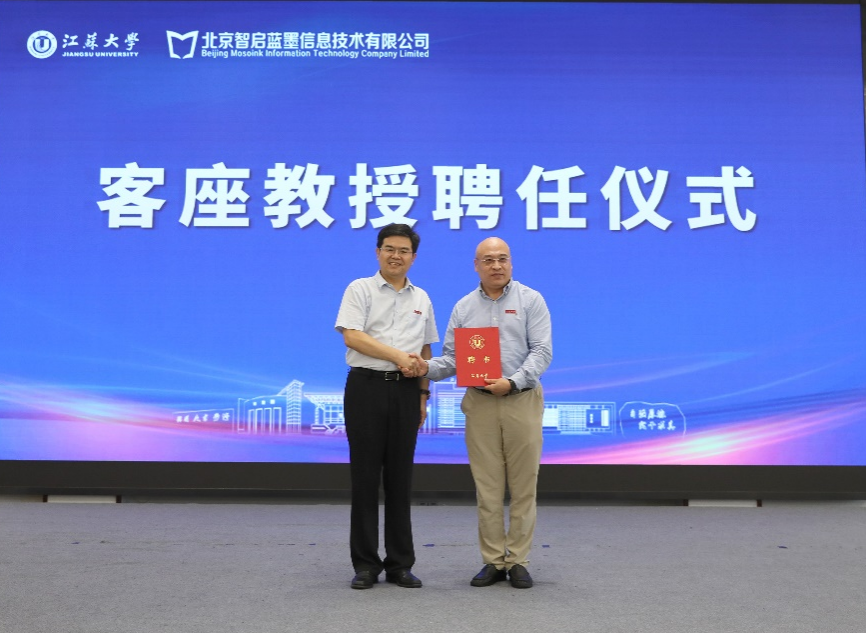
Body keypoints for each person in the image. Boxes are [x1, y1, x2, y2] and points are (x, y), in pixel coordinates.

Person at [409, 237, 552, 589]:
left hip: (521, 399)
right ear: (476, 266)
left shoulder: (531, 300)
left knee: (523, 487)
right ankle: (493, 560)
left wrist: (512, 381)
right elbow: (452, 360)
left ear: (511, 262)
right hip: (480, 402)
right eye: (488, 260)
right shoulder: (464, 307)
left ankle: (518, 560)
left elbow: (541, 352)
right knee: (487, 488)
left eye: (502, 258)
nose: (496, 265)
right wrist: (424, 368)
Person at [335, 223, 438, 590]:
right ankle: (365, 564)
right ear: (378, 252)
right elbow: (353, 336)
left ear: (413, 257)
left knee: (400, 478)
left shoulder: (422, 298)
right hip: (366, 388)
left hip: (407, 392)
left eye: (404, 251)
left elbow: (426, 350)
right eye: (390, 249)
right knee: (365, 478)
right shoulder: (359, 289)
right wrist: (397, 356)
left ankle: (400, 564)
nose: (396, 256)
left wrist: (423, 395)